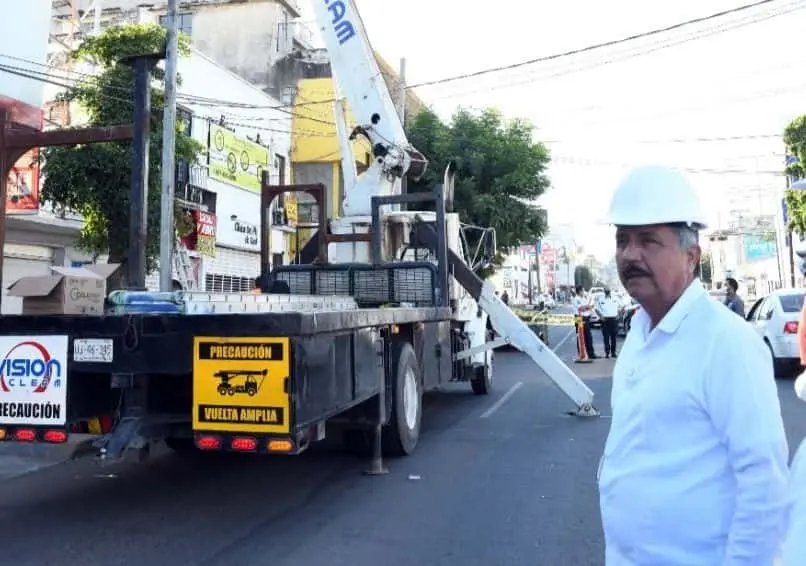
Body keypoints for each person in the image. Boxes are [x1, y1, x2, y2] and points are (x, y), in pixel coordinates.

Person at [597, 164, 789, 565]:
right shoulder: (640, 333)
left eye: (648, 241)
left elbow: (765, 484)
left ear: (691, 257)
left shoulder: (727, 342)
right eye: (622, 240)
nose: (630, 255)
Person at [572, 285, 597, 359]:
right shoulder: (576, 299)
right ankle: (581, 354)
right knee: (580, 336)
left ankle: (591, 354)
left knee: (588, 336)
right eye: (583, 290)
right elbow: (581, 308)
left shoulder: (584, 298)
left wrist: (588, 307)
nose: (584, 292)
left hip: (586, 318)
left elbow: (589, 307)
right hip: (579, 318)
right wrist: (588, 307)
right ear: (579, 291)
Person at [596, 289, 621, 358]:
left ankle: (613, 352)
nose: (607, 293)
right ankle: (607, 353)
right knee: (606, 337)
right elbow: (596, 309)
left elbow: (622, 306)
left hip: (614, 319)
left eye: (608, 291)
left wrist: (619, 315)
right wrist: (600, 316)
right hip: (605, 320)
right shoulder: (600, 299)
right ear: (604, 292)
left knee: (613, 337)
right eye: (606, 291)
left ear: (610, 292)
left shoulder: (615, 298)